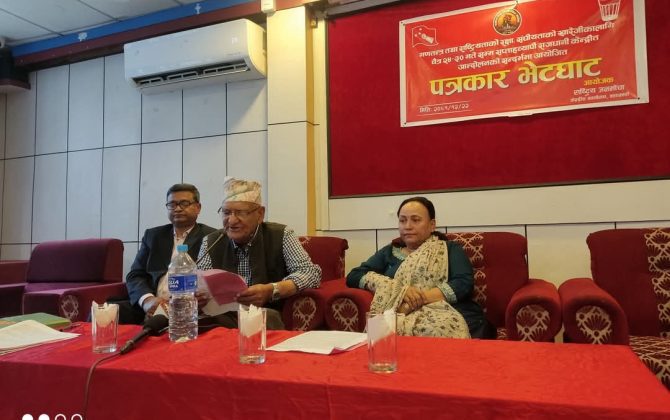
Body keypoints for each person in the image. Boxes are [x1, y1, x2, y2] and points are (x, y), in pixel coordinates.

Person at [347, 197, 492, 339]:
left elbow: (463, 283)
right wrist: (399, 289)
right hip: (398, 318)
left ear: (432, 225)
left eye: (415, 220)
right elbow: (355, 275)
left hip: (450, 315)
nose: (407, 226)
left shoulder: (449, 249)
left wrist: (410, 304)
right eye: (402, 220)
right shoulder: (389, 252)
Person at [196, 177, 322, 330]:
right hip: (223, 317)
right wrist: (197, 297)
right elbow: (199, 284)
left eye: (241, 213)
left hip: (266, 315)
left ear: (260, 214)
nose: (231, 221)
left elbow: (310, 272)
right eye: (226, 212)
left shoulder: (281, 234)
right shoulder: (211, 241)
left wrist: (271, 290)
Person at [123, 183, 217, 324]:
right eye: (172, 204)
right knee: (108, 311)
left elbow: (217, 279)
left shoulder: (212, 237)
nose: (177, 209)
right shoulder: (153, 236)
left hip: (191, 309)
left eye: (184, 203)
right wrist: (147, 300)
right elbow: (135, 275)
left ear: (198, 207)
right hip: (152, 305)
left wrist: (203, 296)